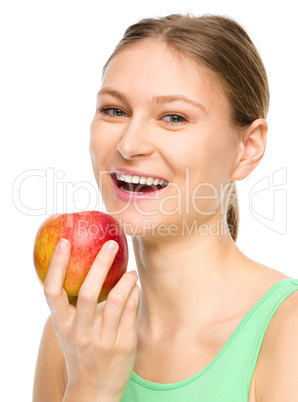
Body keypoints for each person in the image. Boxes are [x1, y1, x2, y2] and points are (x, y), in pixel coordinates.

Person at [33, 13, 298, 401]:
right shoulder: (75, 335)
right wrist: (90, 387)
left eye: (174, 117)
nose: (129, 144)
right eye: (115, 110)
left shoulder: (287, 332)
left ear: (248, 149)